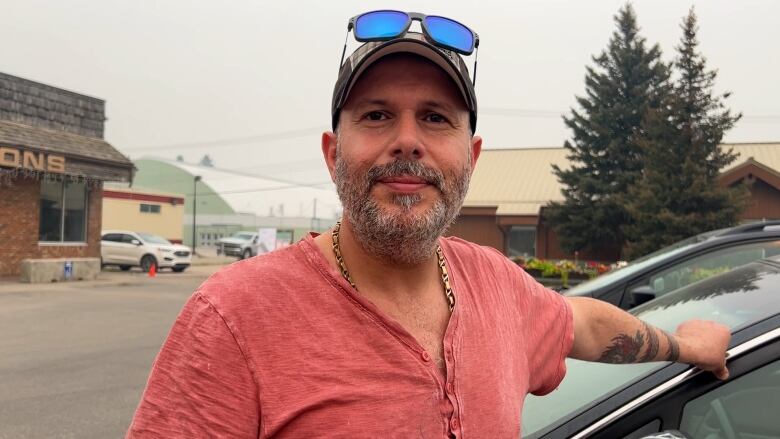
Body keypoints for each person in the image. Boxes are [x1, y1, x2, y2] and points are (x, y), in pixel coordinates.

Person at [127, 10, 730, 438]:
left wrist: (684, 346)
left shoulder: (495, 285)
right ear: (333, 152)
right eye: (378, 114)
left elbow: (586, 326)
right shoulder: (234, 319)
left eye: (437, 117)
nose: (408, 141)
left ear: (471, 157)